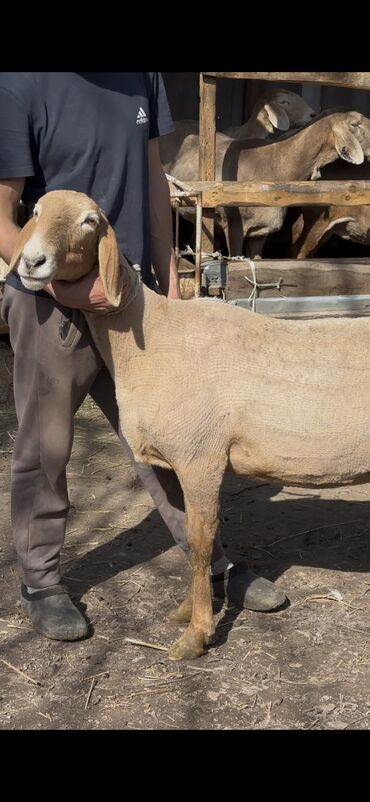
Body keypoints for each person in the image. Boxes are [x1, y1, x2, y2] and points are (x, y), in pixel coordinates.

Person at [0, 72, 287, 641]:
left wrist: (171, 280)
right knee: (45, 445)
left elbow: (155, 181)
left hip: (134, 302)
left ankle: (213, 564)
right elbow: (2, 215)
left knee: (178, 440)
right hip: (52, 303)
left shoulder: (142, 77)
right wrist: (64, 290)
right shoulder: (18, 84)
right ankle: (41, 581)